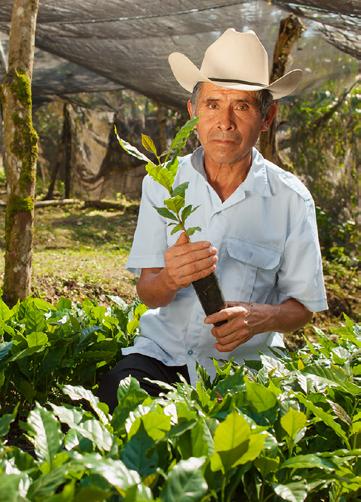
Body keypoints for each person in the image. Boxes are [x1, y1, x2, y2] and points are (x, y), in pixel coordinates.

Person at [98, 29, 328, 410]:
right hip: (163, 356)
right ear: (193, 112)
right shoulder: (163, 186)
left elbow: (301, 307)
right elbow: (148, 290)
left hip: (244, 371)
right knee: (120, 398)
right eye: (212, 104)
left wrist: (261, 317)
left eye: (242, 106)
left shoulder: (290, 199)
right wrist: (170, 278)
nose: (225, 122)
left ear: (267, 116)